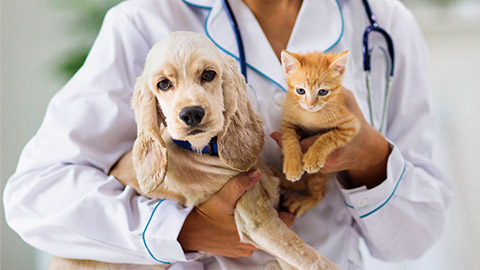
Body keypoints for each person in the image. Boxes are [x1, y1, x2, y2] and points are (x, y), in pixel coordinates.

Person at [3, 0, 453, 269]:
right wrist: (180, 230)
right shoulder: (144, 19)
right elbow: (34, 198)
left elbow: (414, 237)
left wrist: (371, 156)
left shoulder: (384, 22)